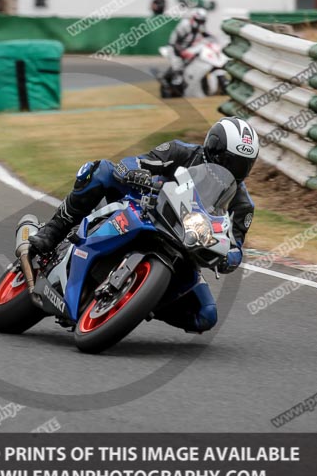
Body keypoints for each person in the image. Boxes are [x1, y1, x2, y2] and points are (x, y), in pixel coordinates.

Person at [29, 117, 259, 334]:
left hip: (186, 245)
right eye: (229, 161)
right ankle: (54, 230)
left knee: (206, 315)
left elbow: (236, 245)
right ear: (213, 148)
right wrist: (133, 172)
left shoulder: (243, 205)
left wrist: (229, 257)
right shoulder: (181, 151)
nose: (234, 170)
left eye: (242, 165)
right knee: (100, 171)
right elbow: (136, 161)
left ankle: (140, 301)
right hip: (148, 209)